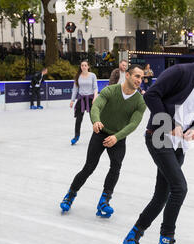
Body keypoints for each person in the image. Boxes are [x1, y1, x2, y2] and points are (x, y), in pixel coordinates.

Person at [120, 36, 194, 244]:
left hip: (179, 144)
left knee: (162, 195)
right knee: (179, 188)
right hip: (159, 136)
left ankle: (131, 238)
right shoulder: (181, 71)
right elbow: (151, 95)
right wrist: (169, 123)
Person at [60, 64, 147, 217]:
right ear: (127, 75)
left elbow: (134, 124)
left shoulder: (140, 101)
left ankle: (104, 200)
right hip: (100, 133)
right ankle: (70, 195)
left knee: (115, 168)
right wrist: (95, 121)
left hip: (118, 138)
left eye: (142, 77)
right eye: (137, 76)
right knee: (89, 167)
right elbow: (96, 107)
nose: (140, 80)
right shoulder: (110, 90)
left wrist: (116, 137)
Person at [70, 60, 98, 145]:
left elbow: (95, 88)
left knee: (94, 119)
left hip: (90, 99)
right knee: (78, 119)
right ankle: (76, 136)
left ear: (88, 67)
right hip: (81, 99)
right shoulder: (78, 76)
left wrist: (95, 97)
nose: (84, 67)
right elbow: (75, 89)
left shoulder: (92, 75)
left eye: (85, 65)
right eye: (82, 65)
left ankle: (98, 136)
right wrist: (72, 100)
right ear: (80, 67)